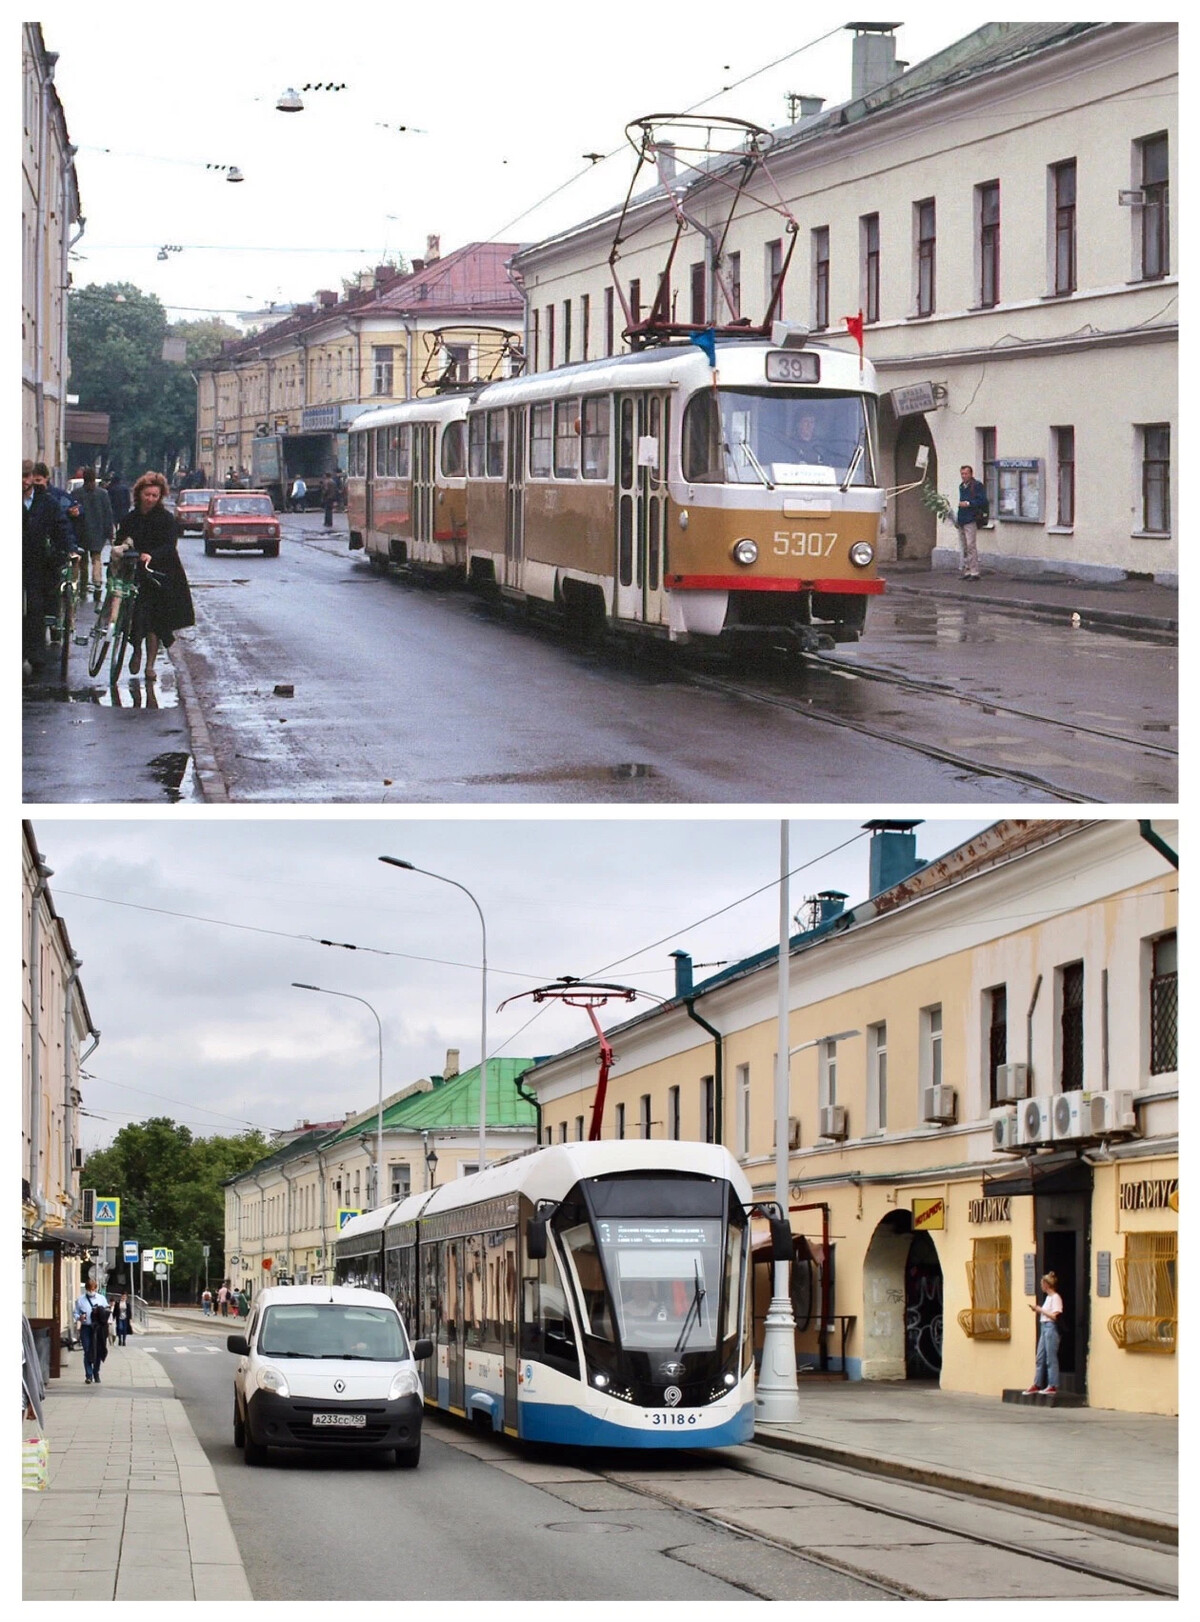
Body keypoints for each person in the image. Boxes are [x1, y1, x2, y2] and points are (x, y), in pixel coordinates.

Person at [112, 471, 195, 680]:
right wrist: (123, 549)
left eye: (154, 496)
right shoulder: (130, 518)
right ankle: (136, 650)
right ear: (139, 494)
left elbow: (170, 544)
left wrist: (151, 555)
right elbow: (120, 539)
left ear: (160, 497)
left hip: (160, 573)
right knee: (136, 618)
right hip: (135, 573)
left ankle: (150, 665)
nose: (150, 499)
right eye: (147, 494)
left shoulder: (166, 518)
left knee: (156, 623)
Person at [23, 459, 78, 678]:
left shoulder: (47, 502)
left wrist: (68, 550)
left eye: (27, 477)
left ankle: (35, 653)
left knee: (36, 608)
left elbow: (61, 528)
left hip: (39, 563)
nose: (24, 481)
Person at [75, 467, 115, 600]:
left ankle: (83, 587)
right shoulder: (103, 494)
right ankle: (97, 584)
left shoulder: (77, 493)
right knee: (96, 559)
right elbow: (108, 514)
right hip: (98, 532)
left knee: (83, 562)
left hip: (81, 532)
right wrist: (110, 532)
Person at [1025, 1271, 1063, 1395]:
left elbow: (1055, 1316)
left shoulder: (1056, 1298)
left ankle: (1052, 1385)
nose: (1041, 1286)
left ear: (1046, 1284)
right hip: (1044, 1326)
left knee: (1050, 1357)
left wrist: (1040, 1310)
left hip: (1050, 1327)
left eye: (1042, 1283)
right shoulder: (1048, 1298)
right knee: (1040, 1357)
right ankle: (1037, 1383)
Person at [955, 464, 989, 580]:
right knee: (964, 546)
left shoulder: (977, 485)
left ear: (971, 474)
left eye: (965, 474)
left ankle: (974, 572)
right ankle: (967, 570)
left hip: (971, 518)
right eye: (962, 474)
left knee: (971, 545)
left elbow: (983, 501)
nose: (963, 476)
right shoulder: (962, 486)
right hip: (962, 518)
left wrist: (968, 503)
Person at [73, 1279, 109, 1385]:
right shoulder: (80, 1300)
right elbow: (75, 1313)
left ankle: (96, 1372)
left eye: (93, 1289)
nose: (91, 1291)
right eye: (89, 1289)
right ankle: (88, 1375)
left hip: (98, 1329)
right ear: (86, 1289)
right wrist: (80, 1317)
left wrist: (101, 1312)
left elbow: (107, 1311)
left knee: (97, 1351)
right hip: (86, 1327)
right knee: (87, 1350)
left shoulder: (101, 1299)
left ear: (96, 1288)